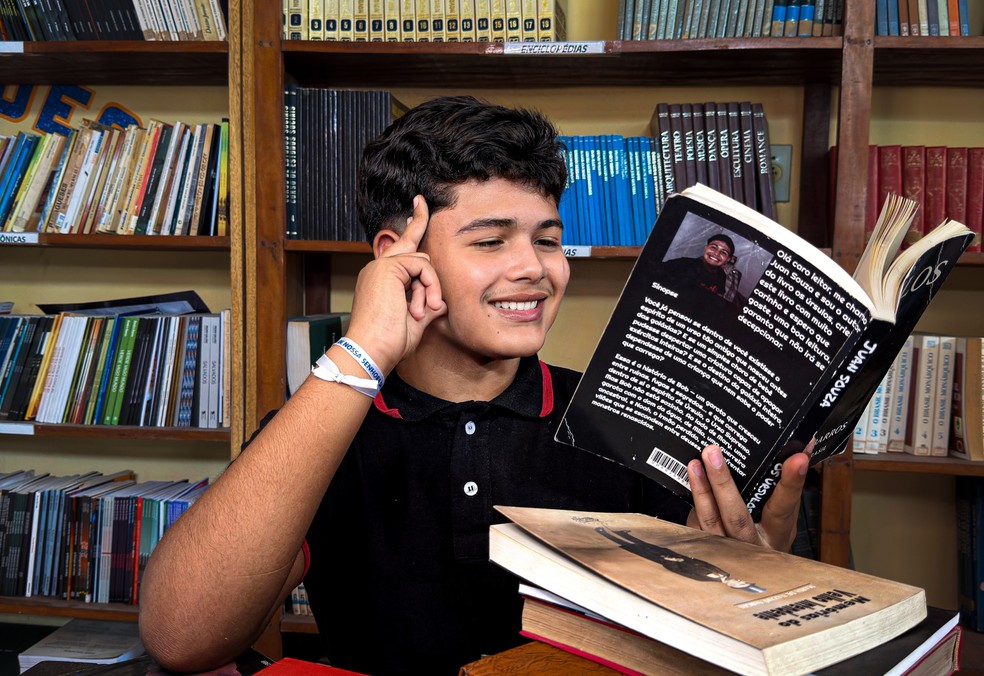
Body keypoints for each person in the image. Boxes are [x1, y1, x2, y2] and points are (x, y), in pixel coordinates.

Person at [138, 96, 811, 675]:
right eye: (490, 242)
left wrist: (748, 585)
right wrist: (362, 351)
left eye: (549, 241)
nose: (534, 270)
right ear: (397, 258)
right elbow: (181, 636)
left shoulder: (628, 416)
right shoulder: (326, 422)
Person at [661, 233, 736, 299]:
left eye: (723, 252)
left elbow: (719, 296)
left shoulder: (721, 275)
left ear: (728, 259)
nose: (716, 253)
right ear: (705, 248)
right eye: (713, 247)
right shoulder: (684, 264)